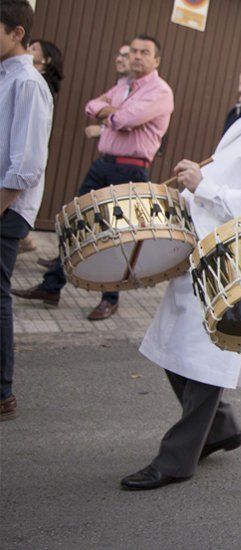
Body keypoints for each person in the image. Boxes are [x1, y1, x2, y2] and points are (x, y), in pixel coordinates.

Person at [121, 44, 241, 491]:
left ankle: (176, 459)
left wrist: (203, 184)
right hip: (201, 253)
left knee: (205, 362)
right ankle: (221, 428)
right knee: (176, 352)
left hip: (231, 264)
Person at [12, 35, 173, 321]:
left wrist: (111, 113)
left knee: (116, 237)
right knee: (76, 225)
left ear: (156, 60)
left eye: (144, 52)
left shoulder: (160, 92)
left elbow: (124, 120)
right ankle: (52, 287)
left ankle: (110, 298)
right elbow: (91, 106)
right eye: (133, 51)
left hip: (130, 170)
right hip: (103, 164)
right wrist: (114, 112)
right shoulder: (124, 85)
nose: (136, 56)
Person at [0, 0, 53, 421]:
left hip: (8, 207)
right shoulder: (5, 77)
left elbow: (26, 165)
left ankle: (3, 394)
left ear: (18, 33)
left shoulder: (28, 84)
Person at [15, 38, 63, 255]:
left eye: (34, 48)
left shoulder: (37, 85)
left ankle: (21, 238)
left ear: (47, 59)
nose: (28, 49)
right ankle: (22, 239)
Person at [83, 43, 131, 141]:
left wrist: (102, 128)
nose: (118, 59)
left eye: (125, 56)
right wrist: (115, 112)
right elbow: (91, 106)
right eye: (118, 55)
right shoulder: (119, 87)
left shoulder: (139, 89)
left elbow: (129, 121)